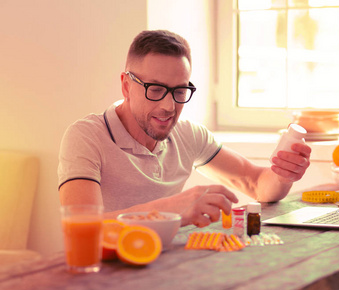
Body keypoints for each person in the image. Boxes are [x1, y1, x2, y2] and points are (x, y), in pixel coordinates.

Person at [58, 29, 311, 228]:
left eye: (180, 91)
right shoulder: (87, 136)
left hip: (169, 268)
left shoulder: (188, 134)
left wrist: (283, 173)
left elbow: (256, 184)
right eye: (155, 90)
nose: (169, 106)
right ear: (126, 86)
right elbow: (81, 225)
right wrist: (171, 209)